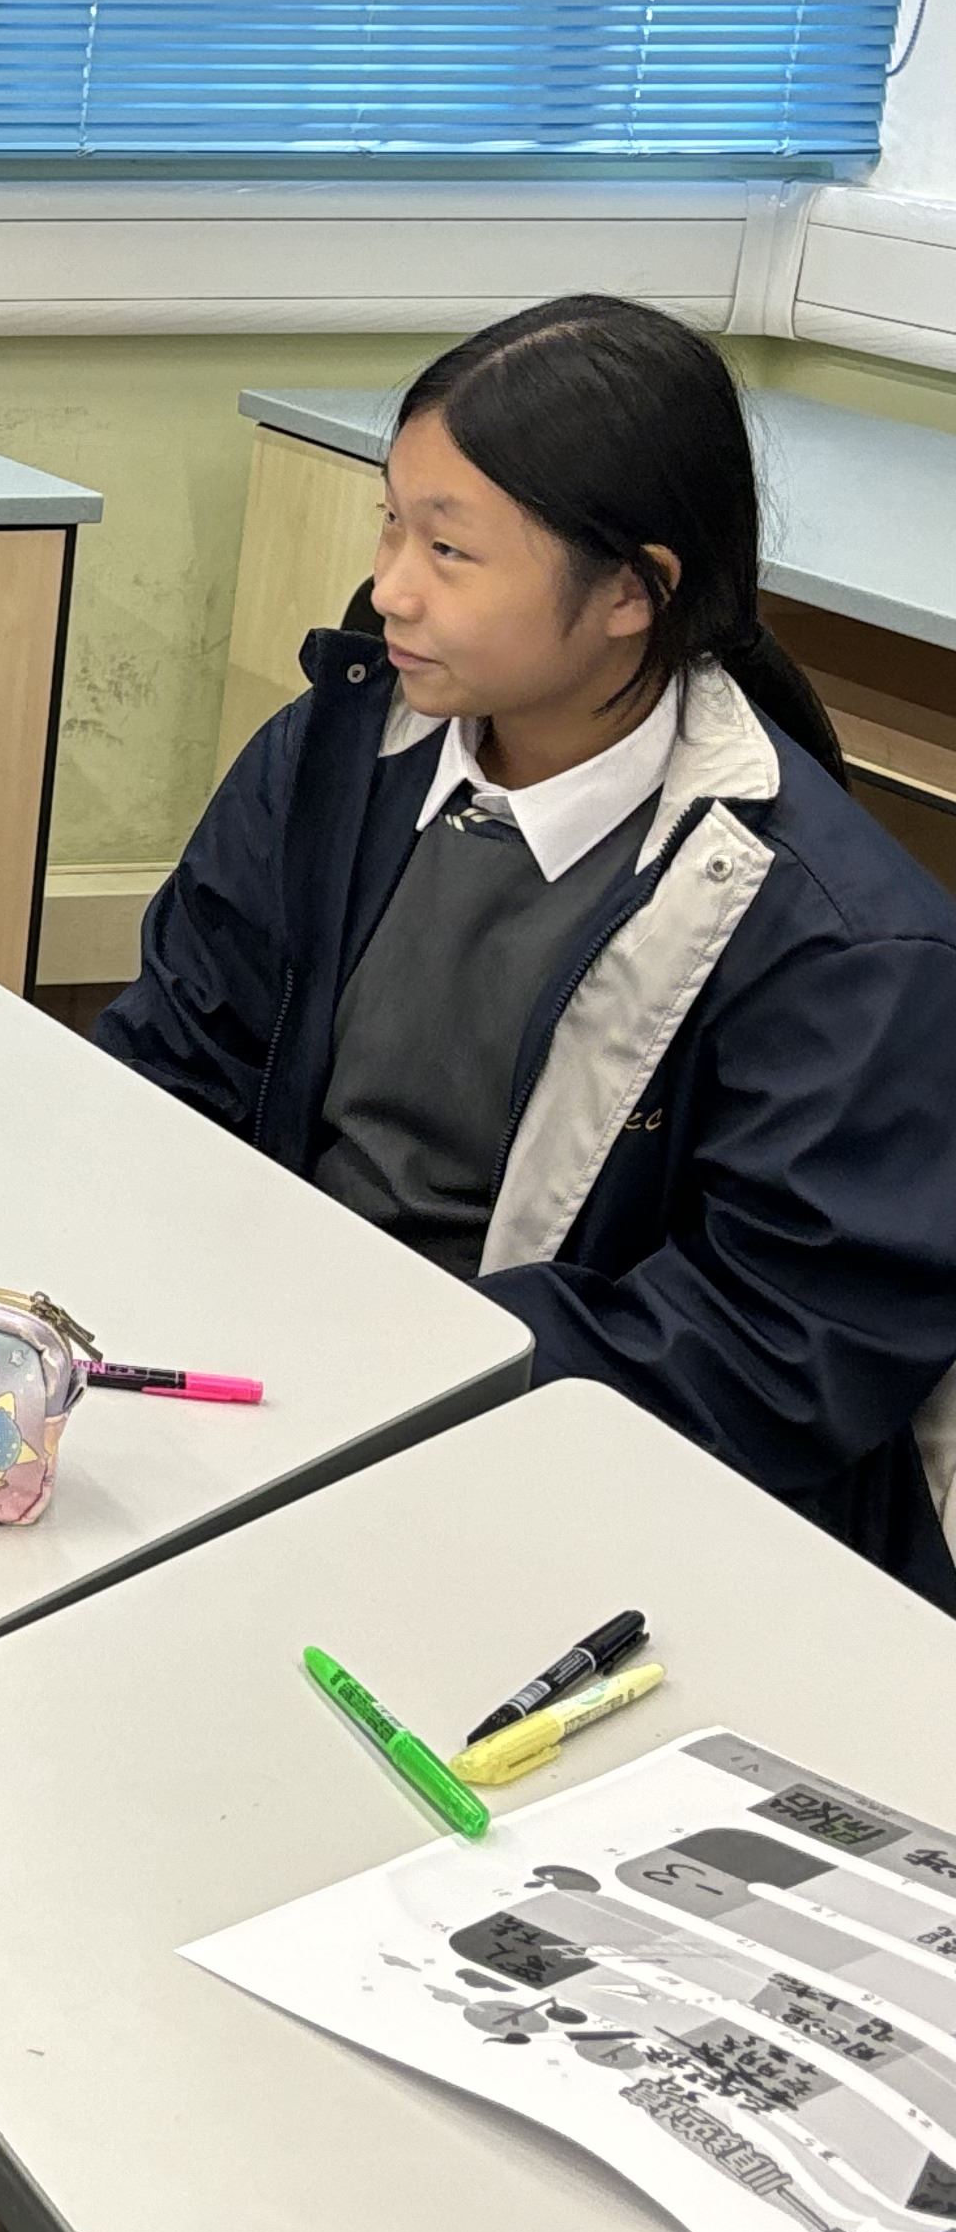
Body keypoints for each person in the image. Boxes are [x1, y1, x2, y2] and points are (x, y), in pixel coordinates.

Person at [100, 296, 956, 1607]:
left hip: (581, 1492)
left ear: (631, 592)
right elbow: (173, 1063)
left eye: (451, 550)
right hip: (277, 1389)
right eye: (391, 523)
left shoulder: (841, 942)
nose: (392, 586)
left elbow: (779, 1348)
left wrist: (408, 1367)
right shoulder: (330, 759)